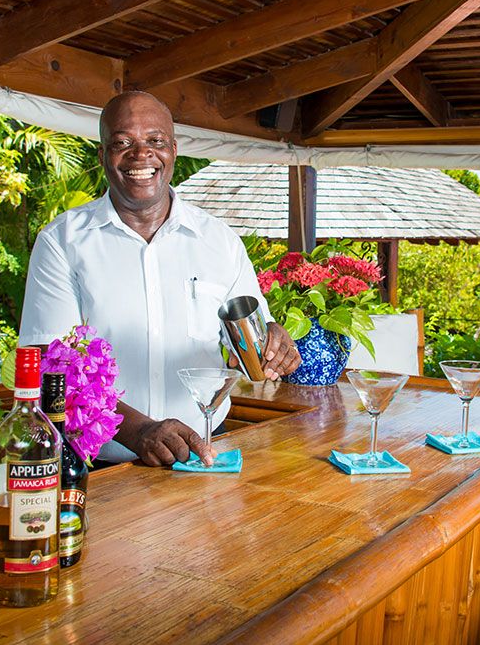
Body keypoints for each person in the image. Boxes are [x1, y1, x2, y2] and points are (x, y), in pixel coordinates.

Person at [17, 91, 301, 467]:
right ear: (103, 155)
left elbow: (252, 340)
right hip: (102, 469)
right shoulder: (62, 242)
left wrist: (274, 345)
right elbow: (50, 364)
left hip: (204, 457)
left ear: (173, 151)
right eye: (122, 142)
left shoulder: (220, 241)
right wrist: (137, 431)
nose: (141, 154)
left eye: (155, 141)